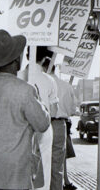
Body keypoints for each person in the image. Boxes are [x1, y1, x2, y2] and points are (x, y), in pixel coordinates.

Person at [0, 29, 51, 190]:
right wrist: (41, 103)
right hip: (18, 172)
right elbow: (42, 124)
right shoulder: (26, 90)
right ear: (16, 60)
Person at [18, 47, 59, 190]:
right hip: (43, 129)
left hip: (20, 129)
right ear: (44, 59)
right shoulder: (49, 80)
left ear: (28, 56)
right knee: (43, 168)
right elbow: (54, 111)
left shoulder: (17, 76)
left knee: (20, 168)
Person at [40, 58, 79, 190]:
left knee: (40, 163)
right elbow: (72, 110)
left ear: (43, 67)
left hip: (42, 125)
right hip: (59, 124)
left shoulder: (40, 82)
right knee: (57, 166)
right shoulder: (66, 86)